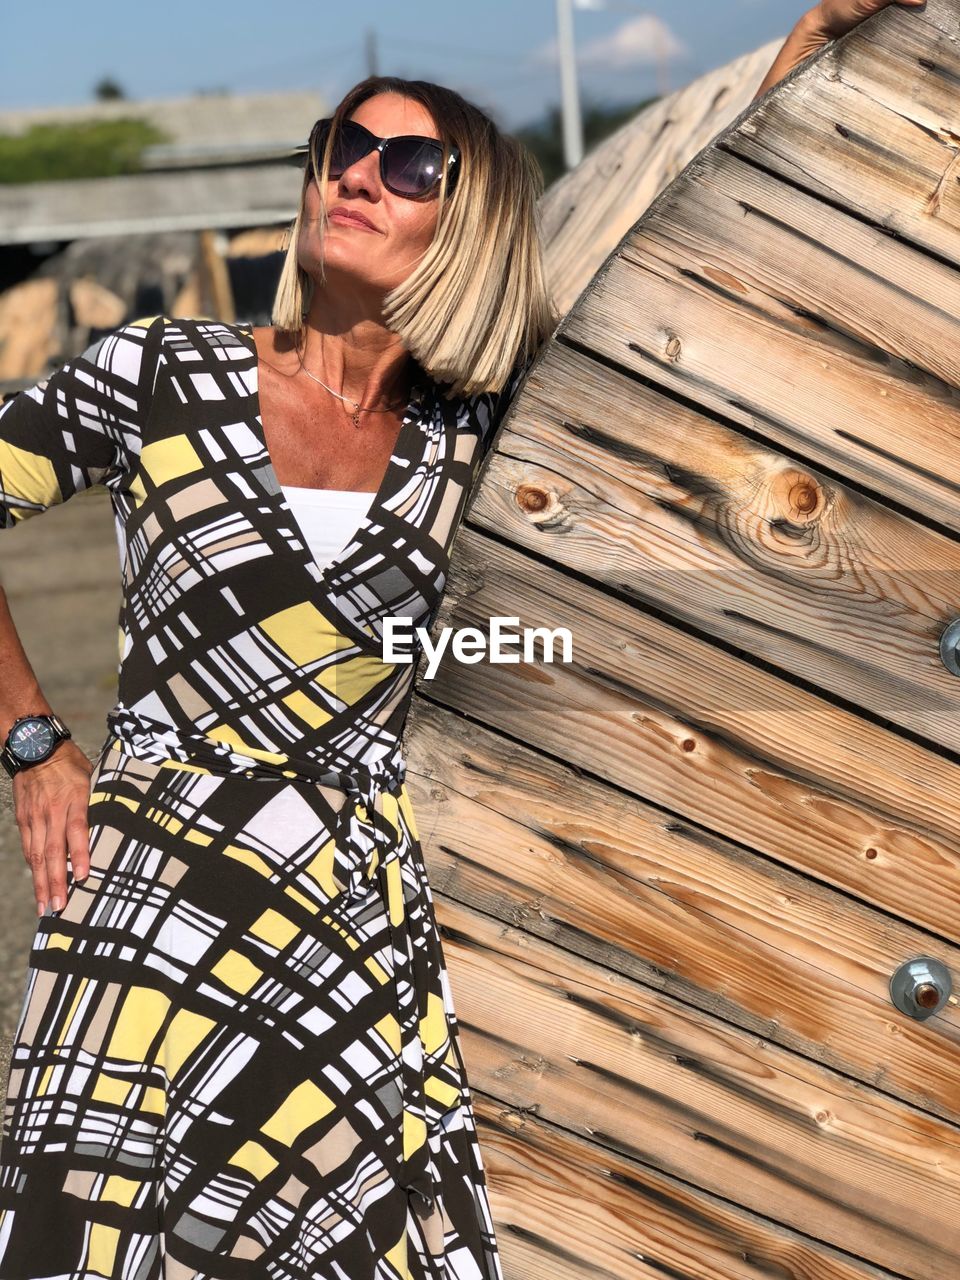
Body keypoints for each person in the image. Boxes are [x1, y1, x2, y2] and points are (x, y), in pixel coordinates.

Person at [0, 4, 923, 1271]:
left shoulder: (481, 436)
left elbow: (673, 315)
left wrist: (804, 56)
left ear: (470, 218)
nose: (357, 176)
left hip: (353, 927)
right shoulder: (164, 371)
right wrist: (33, 741)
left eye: (409, 164)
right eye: (340, 147)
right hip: (150, 904)